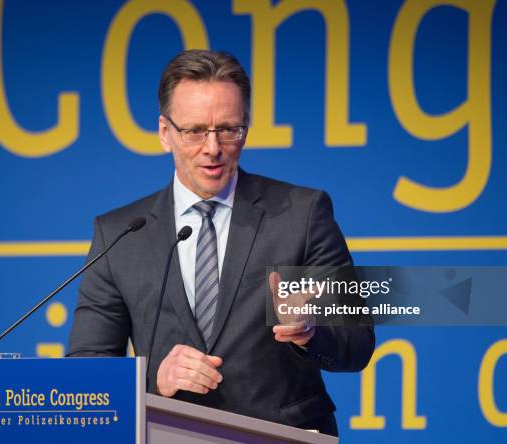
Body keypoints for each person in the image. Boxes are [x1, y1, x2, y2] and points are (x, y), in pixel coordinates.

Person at [67, 49, 374, 436]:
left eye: (228, 129)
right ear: (165, 133)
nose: (213, 148)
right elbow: (88, 373)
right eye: (194, 131)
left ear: (246, 126)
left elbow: (357, 341)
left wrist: (309, 330)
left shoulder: (302, 215)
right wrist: (153, 383)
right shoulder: (121, 234)